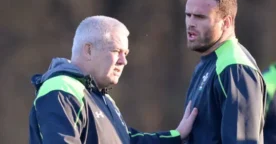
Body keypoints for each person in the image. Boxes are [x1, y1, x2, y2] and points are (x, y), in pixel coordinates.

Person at [29, 15, 198, 144]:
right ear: (88, 50)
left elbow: (127, 140)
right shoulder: (62, 88)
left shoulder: (101, 97)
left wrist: (176, 135)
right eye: (117, 51)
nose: (123, 61)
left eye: (126, 54)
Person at [183, 0, 267, 143]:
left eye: (200, 17)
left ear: (226, 22)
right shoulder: (208, 61)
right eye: (188, 15)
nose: (191, 23)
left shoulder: (235, 68)